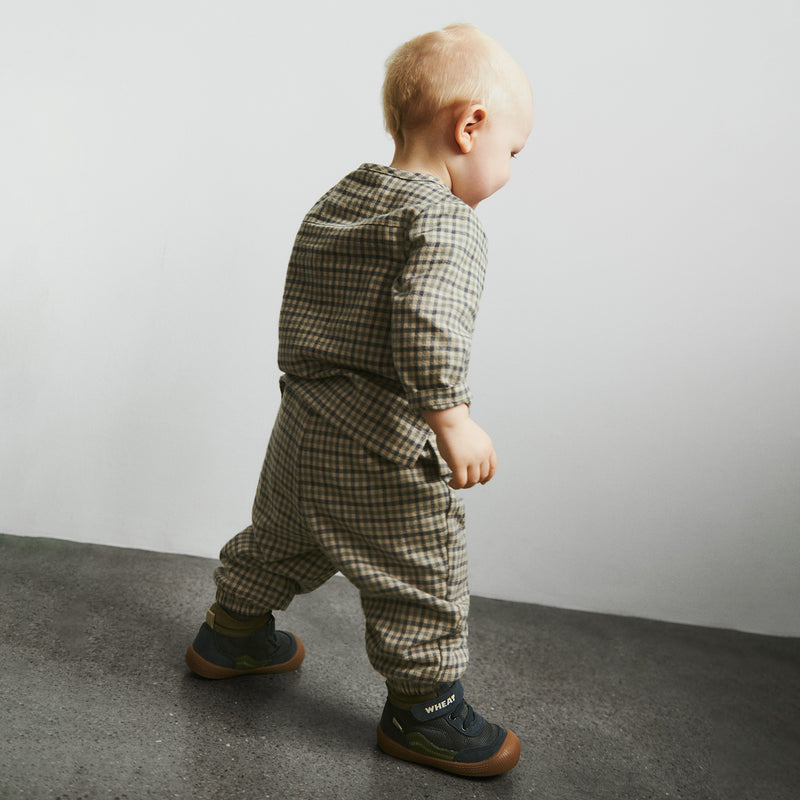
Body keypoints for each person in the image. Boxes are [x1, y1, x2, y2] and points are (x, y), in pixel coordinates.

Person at [185, 23, 534, 778]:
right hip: (382, 434)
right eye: (512, 151)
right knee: (421, 567)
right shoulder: (448, 223)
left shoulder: (344, 195)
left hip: (304, 418)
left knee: (284, 533)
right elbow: (428, 320)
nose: (509, 170)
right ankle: (426, 714)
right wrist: (452, 416)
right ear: (469, 126)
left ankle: (231, 633)